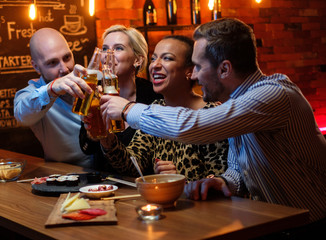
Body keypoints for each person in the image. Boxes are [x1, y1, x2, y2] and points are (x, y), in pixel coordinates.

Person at [100, 18, 326, 227]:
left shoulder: (272, 95)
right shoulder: (236, 105)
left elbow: (195, 125)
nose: (195, 76)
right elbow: (239, 169)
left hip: (312, 224)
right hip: (278, 223)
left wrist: (128, 109)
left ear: (224, 69)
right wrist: (224, 182)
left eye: (198, 66)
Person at [96, 35, 228, 181]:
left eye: (167, 58)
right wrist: (106, 137)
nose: (155, 65)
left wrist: (181, 178)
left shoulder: (212, 114)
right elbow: (133, 165)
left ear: (190, 71)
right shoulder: (156, 108)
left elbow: (220, 180)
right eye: (153, 59)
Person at [79, 25, 162, 170]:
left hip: (143, 183)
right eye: (105, 49)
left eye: (118, 48)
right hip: (102, 185)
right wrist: (93, 134)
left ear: (137, 60)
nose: (108, 54)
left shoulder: (154, 96)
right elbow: (86, 149)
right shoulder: (94, 91)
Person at [14, 28, 94, 168]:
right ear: (36, 67)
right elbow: (22, 115)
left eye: (67, 57)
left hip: (109, 174)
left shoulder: (89, 81)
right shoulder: (34, 92)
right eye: (52, 63)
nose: (64, 69)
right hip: (64, 177)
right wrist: (52, 90)